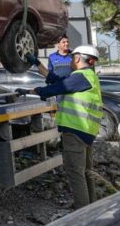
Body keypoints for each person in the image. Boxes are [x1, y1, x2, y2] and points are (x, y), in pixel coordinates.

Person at [22, 44, 103, 208]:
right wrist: (36, 63)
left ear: (78, 58)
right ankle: (92, 208)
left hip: (76, 131)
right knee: (85, 172)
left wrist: (30, 91)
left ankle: (82, 212)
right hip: (85, 131)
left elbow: (54, 89)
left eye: (73, 58)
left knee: (75, 172)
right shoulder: (86, 76)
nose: (71, 61)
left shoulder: (80, 77)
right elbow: (54, 79)